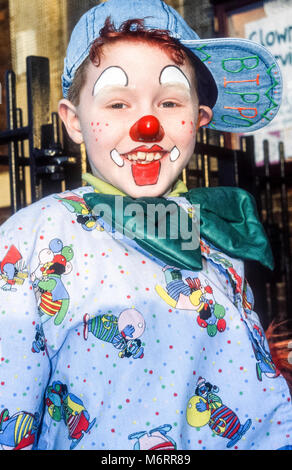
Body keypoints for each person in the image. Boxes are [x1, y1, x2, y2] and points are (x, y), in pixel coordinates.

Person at [0, 0, 291, 451]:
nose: (147, 124)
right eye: (117, 102)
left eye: (170, 101)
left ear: (198, 120)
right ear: (74, 121)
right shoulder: (34, 238)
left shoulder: (211, 240)